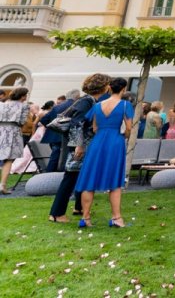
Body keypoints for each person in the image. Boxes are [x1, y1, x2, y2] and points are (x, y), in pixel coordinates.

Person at [73, 78, 133, 228]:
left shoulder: (98, 105)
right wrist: (123, 136)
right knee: (114, 181)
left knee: (90, 178)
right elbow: (129, 128)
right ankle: (116, 218)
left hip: (97, 142)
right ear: (123, 89)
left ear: (110, 88)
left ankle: (85, 218)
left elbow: (94, 128)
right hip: (115, 142)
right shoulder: (126, 105)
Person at [48, 75, 109, 223]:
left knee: (79, 175)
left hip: (83, 144)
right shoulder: (87, 102)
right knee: (70, 177)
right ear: (103, 86)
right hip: (80, 145)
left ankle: (78, 207)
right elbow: (77, 124)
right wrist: (79, 146)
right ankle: (56, 213)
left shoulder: (88, 101)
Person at [40, 90, 80, 173]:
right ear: (77, 97)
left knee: (55, 155)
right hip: (69, 135)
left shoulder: (57, 107)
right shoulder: (77, 105)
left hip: (55, 135)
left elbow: (44, 119)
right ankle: (63, 172)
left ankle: (49, 172)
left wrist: (54, 128)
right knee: (67, 155)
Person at [0, 87, 31, 193]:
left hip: (0, 129)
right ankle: (2, 185)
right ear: (22, 96)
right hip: (13, 132)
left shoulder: (2, 104)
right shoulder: (24, 106)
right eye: (25, 95)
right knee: (8, 160)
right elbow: (22, 122)